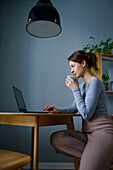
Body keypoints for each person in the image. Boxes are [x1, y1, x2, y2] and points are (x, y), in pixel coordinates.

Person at [44, 50, 113, 170]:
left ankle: (103, 154)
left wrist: (74, 90)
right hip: (88, 134)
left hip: (102, 132)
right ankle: (103, 155)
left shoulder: (95, 83)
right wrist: (58, 110)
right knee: (56, 138)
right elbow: (74, 108)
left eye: (73, 66)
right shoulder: (82, 86)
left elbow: (86, 114)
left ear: (83, 63)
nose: (71, 70)